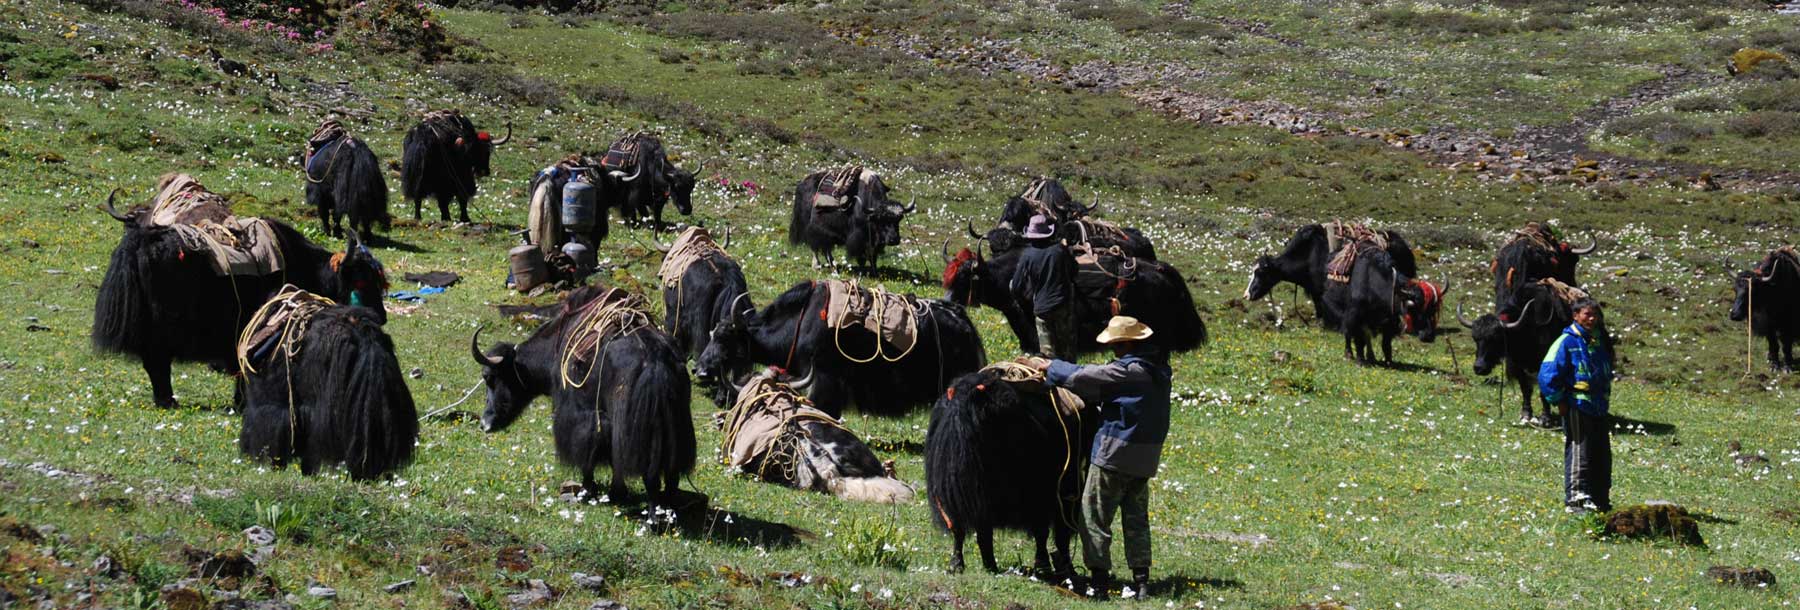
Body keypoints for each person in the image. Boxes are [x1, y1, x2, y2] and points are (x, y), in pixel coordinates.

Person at [1030, 316, 1172, 600]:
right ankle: (1141, 581)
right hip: (1144, 460)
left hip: (1114, 456)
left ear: (1129, 343)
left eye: (1117, 345)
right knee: (1136, 519)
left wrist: (1050, 366)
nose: (1114, 351)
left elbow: (1087, 376)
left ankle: (1099, 583)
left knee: (1093, 517)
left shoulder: (1128, 372)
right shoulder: (1160, 372)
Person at [1537, 298, 1614, 514]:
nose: (1592, 319)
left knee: (1601, 453)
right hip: (1577, 405)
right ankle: (1577, 499)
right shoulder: (1565, 342)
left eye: (1595, 315)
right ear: (1576, 315)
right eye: (1587, 314)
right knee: (1580, 449)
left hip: (1599, 406)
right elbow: (1547, 375)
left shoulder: (1598, 343)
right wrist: (1558, 401)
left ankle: (1600, 498)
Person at [1010, 214, 1078, 359]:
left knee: (1047, 356)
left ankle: (1051, 379)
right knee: (1068, 351)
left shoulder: (1027, 255)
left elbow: (1016, 286)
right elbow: (1074, 271)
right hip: (1063, 306)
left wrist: (1025, 300)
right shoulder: (1060, 250)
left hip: (1042, 309)